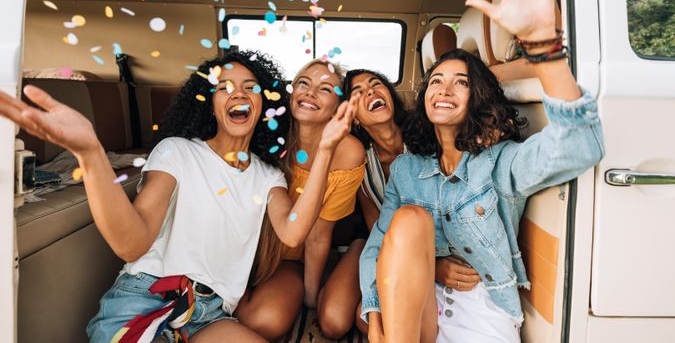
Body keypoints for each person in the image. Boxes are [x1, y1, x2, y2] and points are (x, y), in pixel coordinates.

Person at [0, 50, 359, 343]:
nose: (238, 93)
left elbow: (295, 232)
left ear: (264, 104)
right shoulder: (177, 152)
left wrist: (326, 150)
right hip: (145, 299)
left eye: (250, 87)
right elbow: (132, 244)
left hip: (212, 314)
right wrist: (91, 154)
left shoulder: (267, 177)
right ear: (210, 104)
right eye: (224, 87)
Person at [359, 0, 605, 343]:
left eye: (461, 82)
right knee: (408, 219)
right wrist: (376, 316)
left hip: (483, 312)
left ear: (479, 98)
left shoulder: (500, 163)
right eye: (436, 80)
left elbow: (581, 147)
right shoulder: (407, 169)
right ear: (425, 99)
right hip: (417, 307)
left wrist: (543, 45)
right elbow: (377, 249)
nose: (444, 88)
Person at [341, 69, 482, 337]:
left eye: (376, 84)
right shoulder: (359, 160)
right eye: (358, 92)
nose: (370, 92)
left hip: (438, 242)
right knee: (358, 319)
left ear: (390, 96)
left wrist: (434, 263)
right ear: (354, 117)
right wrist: (428, 269)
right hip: (391, 248)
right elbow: (378, 234)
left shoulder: (427, 138)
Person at [235, 59, 366, 341]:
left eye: (325, 89)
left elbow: (318, 234)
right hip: (242, 248)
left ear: (338, 107)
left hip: (288, 259)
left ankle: (357, 247)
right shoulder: (265, 132)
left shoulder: (348, 152)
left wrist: (309, 299)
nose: (309, 93)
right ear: (291, 92)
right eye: (303, 83)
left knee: (263, 323)